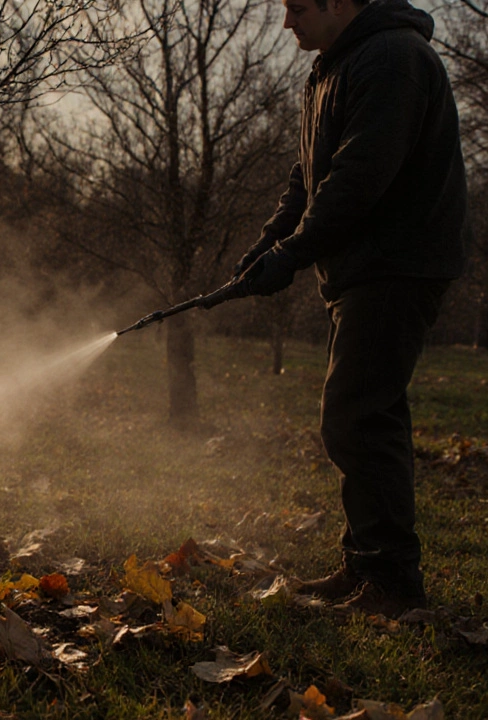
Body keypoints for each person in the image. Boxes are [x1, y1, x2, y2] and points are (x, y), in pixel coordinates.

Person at [232, 0, 470, 617]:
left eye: (297, 7)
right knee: (358, 413)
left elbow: (359, 177)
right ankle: (367, 567)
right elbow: (307, 175)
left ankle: (392, 583)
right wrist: (269, 244)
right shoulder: (334, 68)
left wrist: (293, 254)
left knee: (359, 414)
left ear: (341, 1)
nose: (287, 23)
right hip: (365, 269)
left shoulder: (393, 58)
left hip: (397, 264)